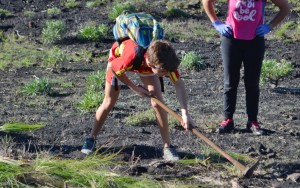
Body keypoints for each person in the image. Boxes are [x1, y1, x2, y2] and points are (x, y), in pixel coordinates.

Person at [81, 39, 195, 161]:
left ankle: (168, 147)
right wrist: (134, 88)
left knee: (158, 103)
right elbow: (114, 69)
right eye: (163, 72)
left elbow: (178, 83)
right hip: (118, 62)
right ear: (152, 65)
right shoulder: (130, 57)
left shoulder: (165, 61)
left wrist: (185, 113)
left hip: (145, 66)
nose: (166, 74)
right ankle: (91, 138)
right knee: (109, 102)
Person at [202, 0, 290, 134]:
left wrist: (269, 26)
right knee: (230, 82)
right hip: (231, 39)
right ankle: (228, 120)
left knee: (252, 83)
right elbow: (206, 1)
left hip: (255, 41)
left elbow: (285, 8)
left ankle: (252, 122)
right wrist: (216, 23)